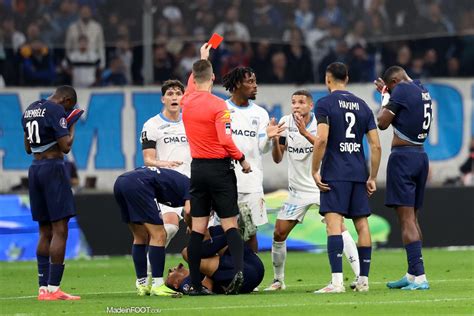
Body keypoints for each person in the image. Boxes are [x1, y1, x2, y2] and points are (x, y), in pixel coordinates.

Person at [264, 90, 361, 291]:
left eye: (301, 102)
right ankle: (278, 281)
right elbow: (277, 158)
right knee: (279, 233)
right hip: (297, 191)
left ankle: (360, 276)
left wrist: (304, 133)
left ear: (311, 106)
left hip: (319, 185)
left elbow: (324, 149)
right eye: (293, 102)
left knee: (338, 228)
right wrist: (274, 139)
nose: (296, 106)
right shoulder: (285, 122)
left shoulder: (321, 123)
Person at [181, 43, 252, 295]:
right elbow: (224, 139)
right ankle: (240, 274)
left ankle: (194, 283)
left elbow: (194, 80)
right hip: (220, 170)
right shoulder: (219, 105)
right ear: (212, 78)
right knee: (229, 224)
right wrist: (242, 158)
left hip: (197, 169)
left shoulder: (186, 100)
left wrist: (202, 58)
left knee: (198, 228)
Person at [312, 62, 381, 293]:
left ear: (327, 79)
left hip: (335, 172)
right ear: (347, 79)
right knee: (362, 224)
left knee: (333, 224)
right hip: (358, 172)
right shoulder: (363, 106)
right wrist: (372, 177)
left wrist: (314, 169)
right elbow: (376, 145)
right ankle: (364, 281)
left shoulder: (325, 104)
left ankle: (337, 282)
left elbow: (321, 139)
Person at [375, 66, 432, 290]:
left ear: (395, 82)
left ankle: (419, 277)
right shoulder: (421, 89)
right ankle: (412, 273)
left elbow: (382, 122)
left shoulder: (401, 90)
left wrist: (385, 97)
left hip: (403, 158)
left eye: (391, 88)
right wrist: (389, 94)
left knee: (406, 218)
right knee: (412, 217)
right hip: (420, 156)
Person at [22, 86, 81, 300]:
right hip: (53, 168)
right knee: (60, 229)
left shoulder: (30, 109)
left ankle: (42, 288)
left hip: (35, 169)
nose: (67, 111)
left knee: (44, 231)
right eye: (69, 108)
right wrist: (71, 124)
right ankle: (54, 288)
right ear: (65, 100)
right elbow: (65, 146)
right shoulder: (56, 110)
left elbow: (28, 147)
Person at [220, 66, 285, 252]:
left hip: (252, 182)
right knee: (224, 233)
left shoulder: (260, 113)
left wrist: (269, 137)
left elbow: (261, 148)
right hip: (226, 181)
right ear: (238, 84)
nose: (255, 86)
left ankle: (251, 277)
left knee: (250, 232)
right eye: (250, 82)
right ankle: (226, 275)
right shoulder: (222, 109)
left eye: (255, 81)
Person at [113, 166, 191, 297]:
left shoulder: (179, 180)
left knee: (140, 236)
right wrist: (191, 225)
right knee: (159, 234)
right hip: (139, 185)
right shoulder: (194, 187)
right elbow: (189, 211)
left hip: (121, 182)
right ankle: (158, 284)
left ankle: (142, 284)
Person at [140, 79, 190, 247]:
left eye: (178, 94)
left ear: (184, 98)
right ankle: (150, 265)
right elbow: (148, 160)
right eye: (170, 94)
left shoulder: (191, 122)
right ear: (163, 99)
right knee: (170, 228)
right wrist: (165, 164)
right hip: (168, 183)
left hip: (193, 184)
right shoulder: (152, 125)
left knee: (205, 231)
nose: (174, 97)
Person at [165, 226, 265, 295]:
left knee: (213, 233)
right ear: (176, 284)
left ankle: (232, 233)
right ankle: (232, 234)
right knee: (187, 252)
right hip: (247, 275)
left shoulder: (201, 267)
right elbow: (207, 287)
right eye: (169, 273)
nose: (170, 269)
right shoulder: (185, 284)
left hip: (252, 264)